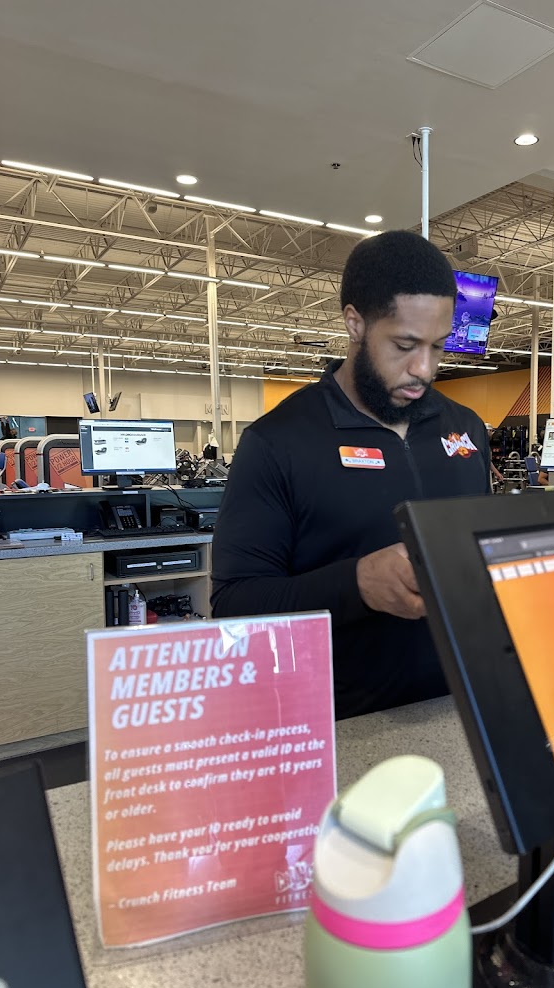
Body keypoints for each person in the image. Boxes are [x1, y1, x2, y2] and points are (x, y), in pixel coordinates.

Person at [211, 230, 491, 719]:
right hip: (342, 726)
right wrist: (356, 584)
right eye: (404, 345)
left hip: (460, 712)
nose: (424, 369)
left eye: (438, 346)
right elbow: (235, 606)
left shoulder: (465, 428)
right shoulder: (277, 442)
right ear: (355, 323)